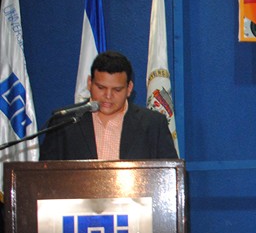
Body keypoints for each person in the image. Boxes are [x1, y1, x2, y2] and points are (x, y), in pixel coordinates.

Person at [40, 51, 178, 161]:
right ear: (89, 83)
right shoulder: (63, 123)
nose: (108, 96)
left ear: (129, 88)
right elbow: (45, 178)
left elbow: (169, 176)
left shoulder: (153, 124)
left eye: (117, 90)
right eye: (101, 88)